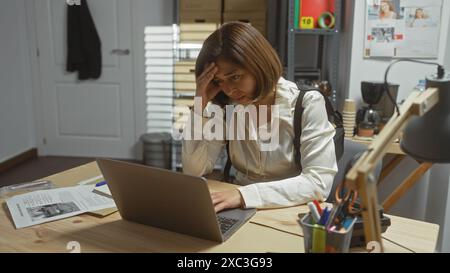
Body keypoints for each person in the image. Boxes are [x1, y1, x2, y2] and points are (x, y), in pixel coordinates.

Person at [182, 22, 337, 213]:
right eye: (219, 81)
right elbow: (194, 171)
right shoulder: (225, 107)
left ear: (259, 64)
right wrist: (200, 104)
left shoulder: (307, 104)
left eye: (235, 77)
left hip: (288, 209)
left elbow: (318, 183)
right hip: (238, 207)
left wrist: (244, 195)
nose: (229, 89)